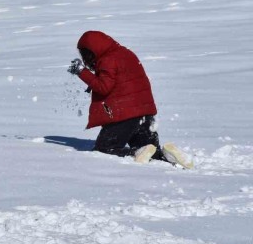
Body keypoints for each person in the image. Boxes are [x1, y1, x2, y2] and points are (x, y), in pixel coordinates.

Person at [67, 31, 193, 168]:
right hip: (145, 113)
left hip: (124, 116)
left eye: (85, 54)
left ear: (92, 51)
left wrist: (81, 71)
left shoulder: (108, 59)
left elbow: (103, 87)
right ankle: (168, 155)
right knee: (150, 152)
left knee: (104, 149)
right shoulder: (125, 53)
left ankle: (135, 152)